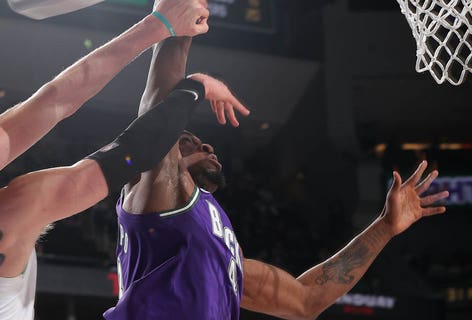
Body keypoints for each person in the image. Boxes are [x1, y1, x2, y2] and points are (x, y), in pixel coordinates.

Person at [0, 0, 252, 318]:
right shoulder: (6, 211)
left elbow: (57, 99)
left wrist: (160, 25)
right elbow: (131, 153)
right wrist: (195, 86)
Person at [103, 35, 451, 319]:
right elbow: (158, 109)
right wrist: (178, 26)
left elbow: (306, 300)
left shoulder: (219, 245)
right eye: (186, 140)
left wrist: (385, 227)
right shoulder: (156, 193)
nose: (205, 143)